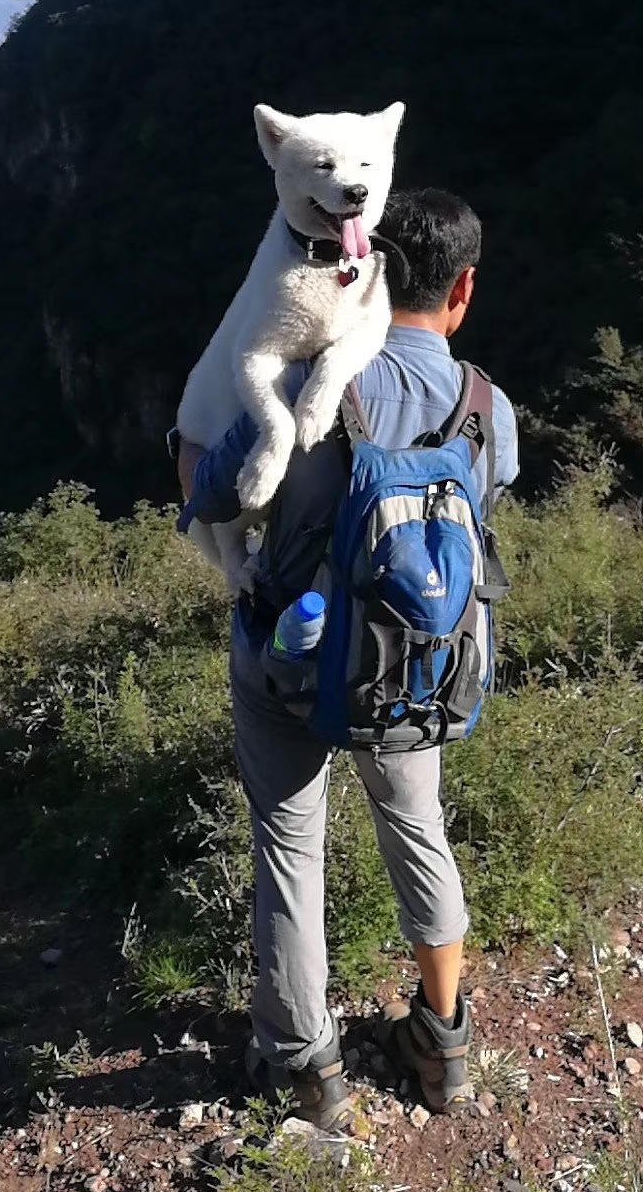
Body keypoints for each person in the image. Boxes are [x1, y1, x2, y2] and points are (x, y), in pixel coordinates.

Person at [177, 188, 518, 1128]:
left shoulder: (302, 393)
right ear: (464, 292)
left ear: (358, 271)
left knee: (291, 843)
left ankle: (305, 1067)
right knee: (419, 825)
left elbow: (208, 497)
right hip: (416, 668)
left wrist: (188, 446)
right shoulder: (490, 406)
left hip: (292, 661)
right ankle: (442, 1043)